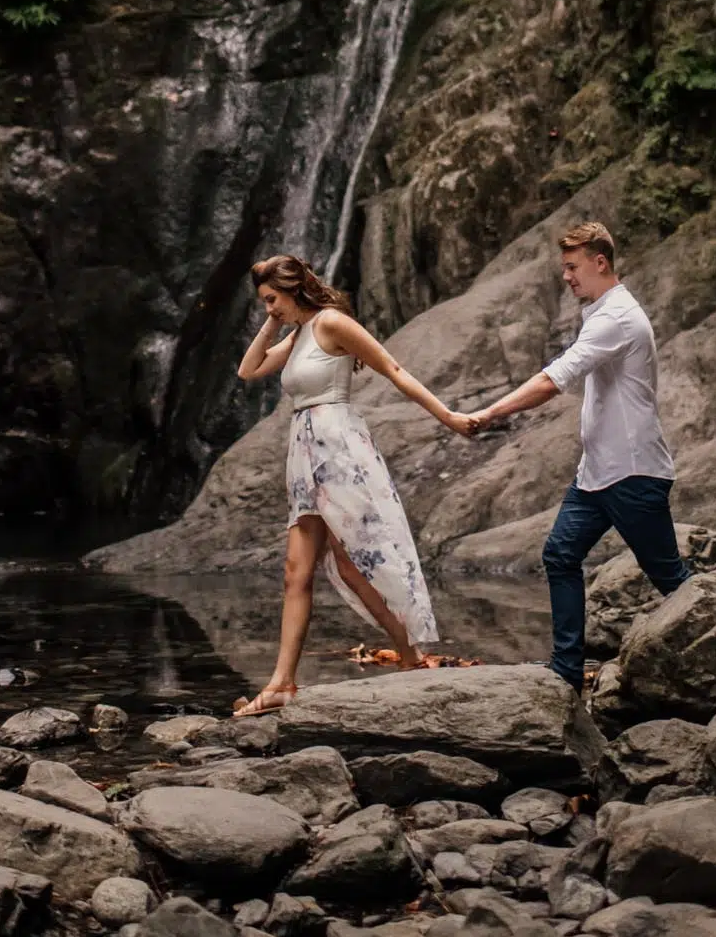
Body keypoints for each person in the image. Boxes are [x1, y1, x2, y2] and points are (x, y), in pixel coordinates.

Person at [232, 252, 471, 717]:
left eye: (271, 299)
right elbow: (248, 371)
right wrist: (274, 321)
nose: (268, 308)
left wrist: (449, 417)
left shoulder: (331, 323)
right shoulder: (299, 332)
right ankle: (283, 683)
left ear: (292, 289)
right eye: (263, 302)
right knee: (299, 572)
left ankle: (409, 655)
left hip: (339, 450)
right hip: (305, 456)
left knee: (356, 562)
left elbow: (394, 370)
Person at [461, 220, 691, 692]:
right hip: (597, 475)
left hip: (632, 473)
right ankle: (567, 668)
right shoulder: (602, 312)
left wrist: (489, 413)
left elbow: (552, 380)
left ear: (600, 262)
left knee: (672, 579)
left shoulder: (616, 318)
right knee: (560, 555)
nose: (566, 277)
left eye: (572, 267)